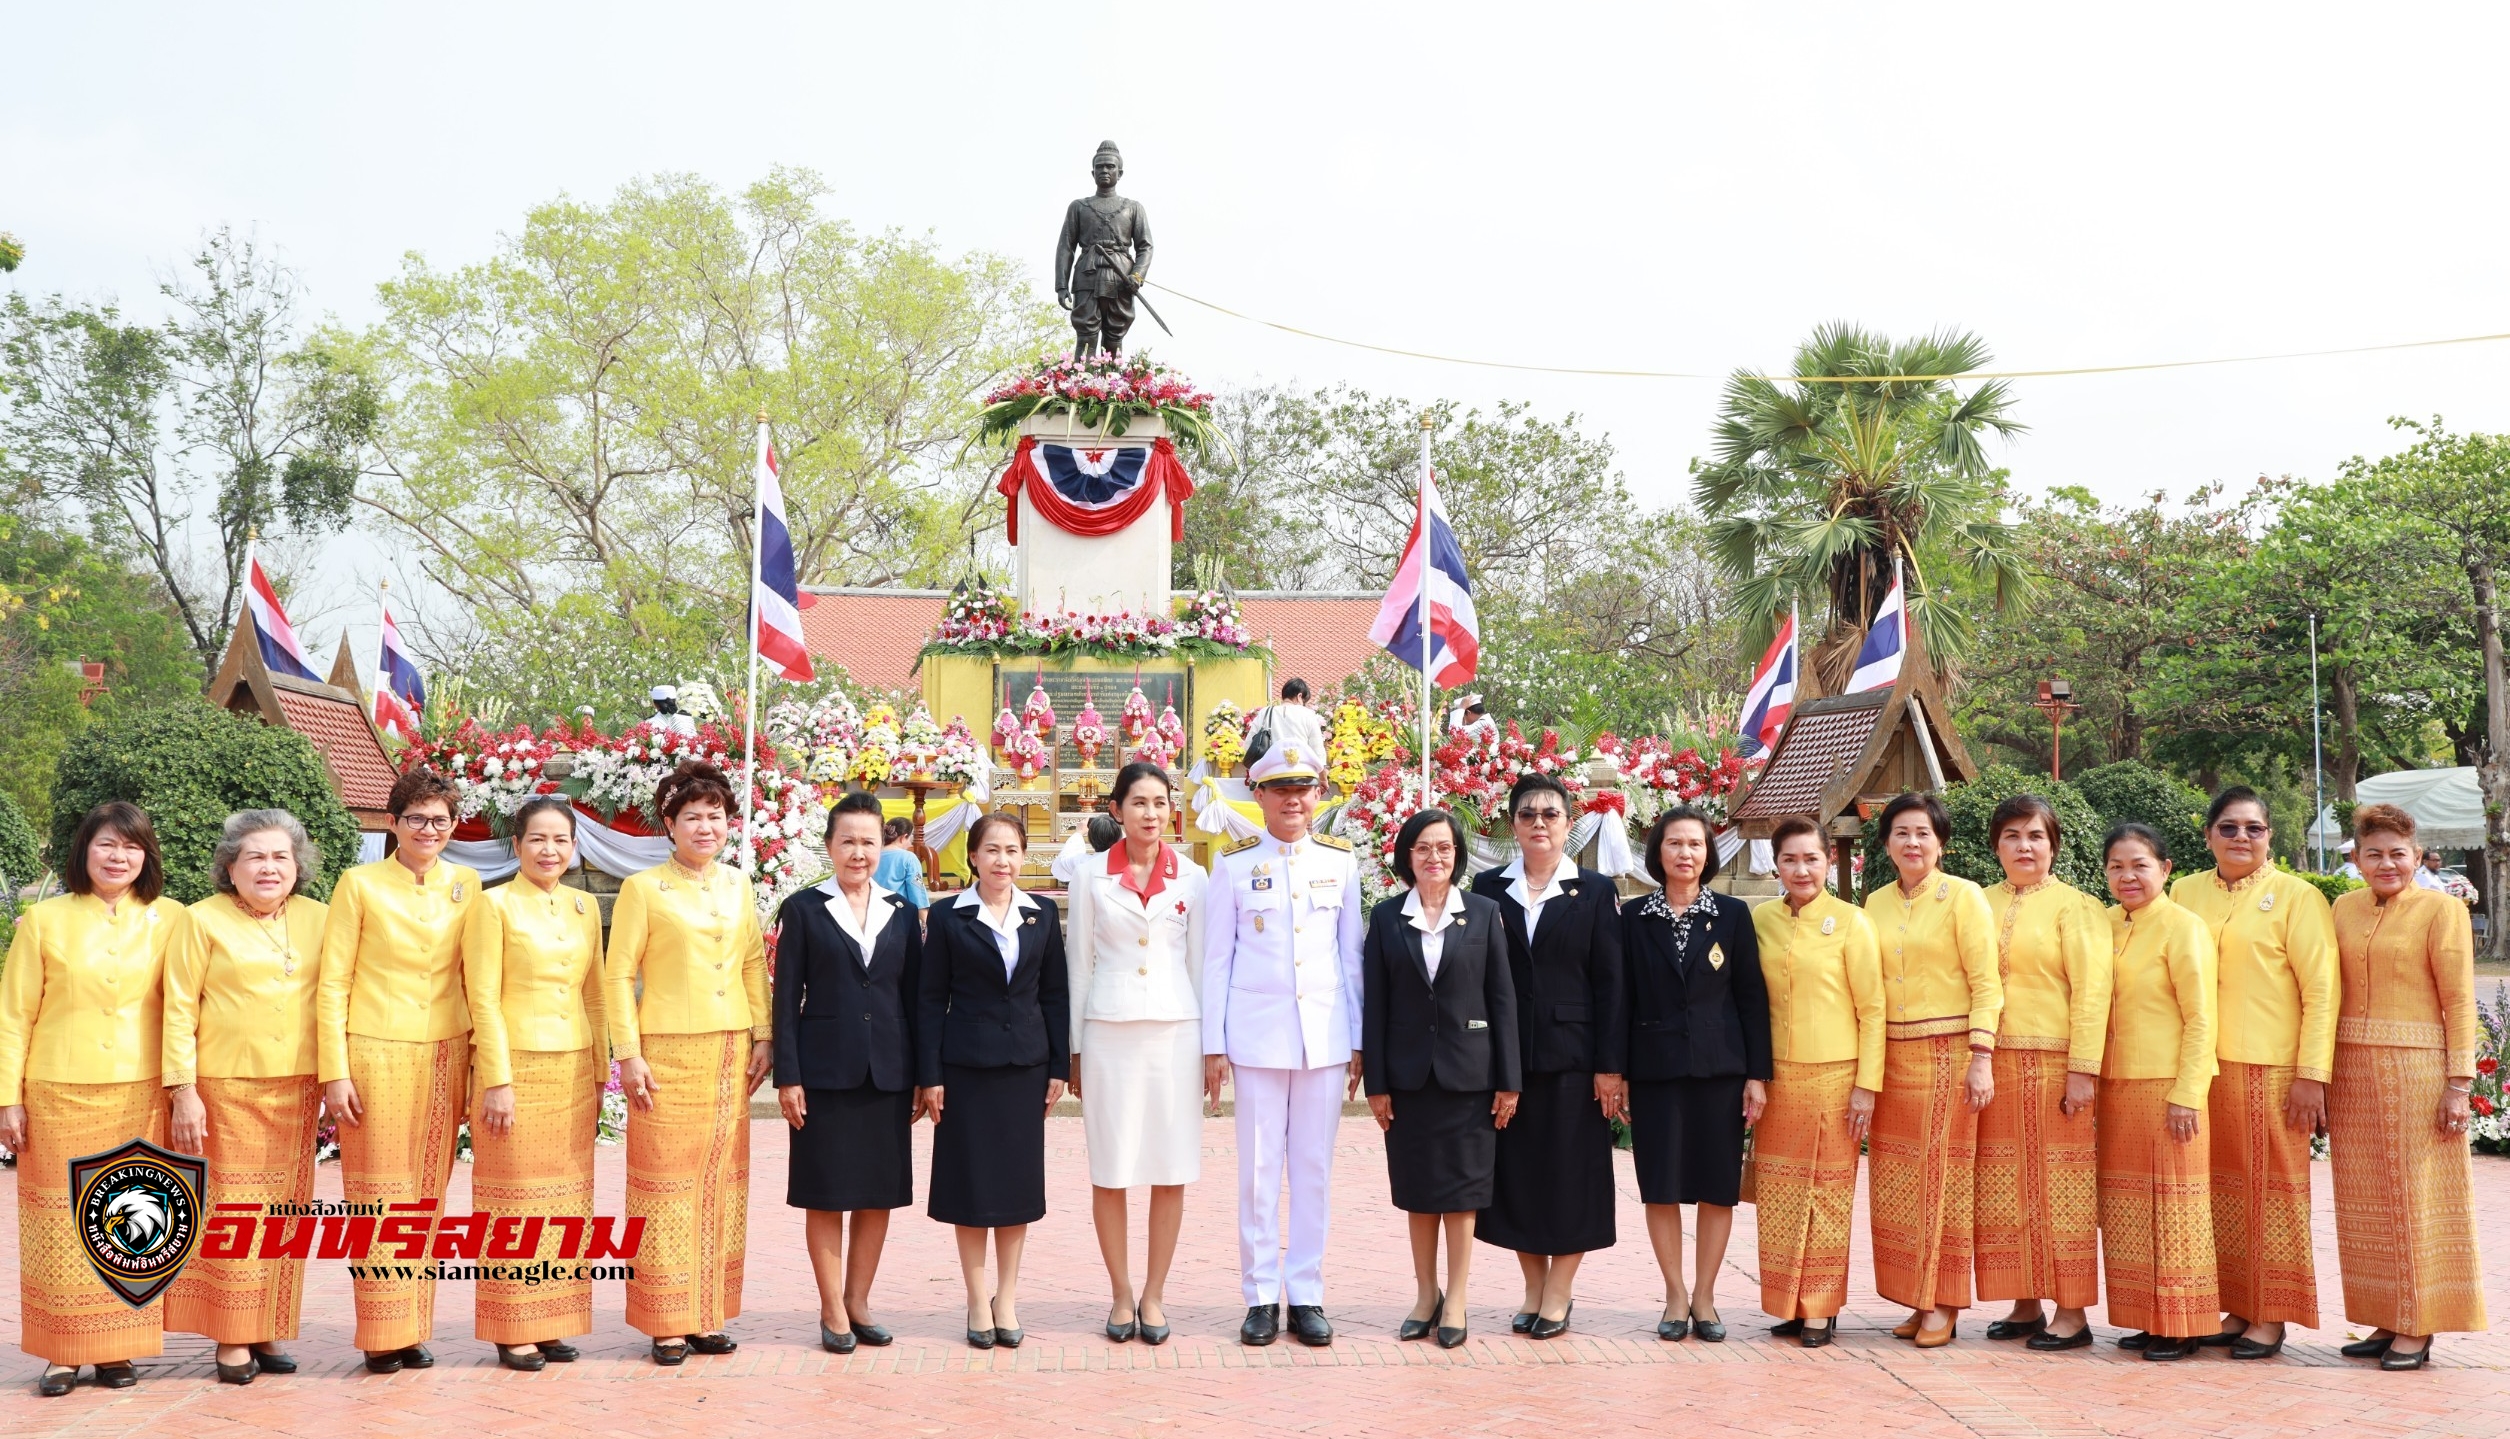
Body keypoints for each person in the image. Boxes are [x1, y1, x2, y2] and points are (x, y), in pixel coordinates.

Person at [0, 803, 184, 1396]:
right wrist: (8, 1098)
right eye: (107, 844)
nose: (118, 857)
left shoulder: (172, 920)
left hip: (139, 1090)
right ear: (85, 849)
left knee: (131, 1221)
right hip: (56, 1091)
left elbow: (186, 1011)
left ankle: (116, 1349)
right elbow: (13, 1017)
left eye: (131, 847)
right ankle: (61, 1352)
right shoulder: (44, 920)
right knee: (57, 1221)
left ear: (146, 856)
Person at [605, 760, 773, 1365]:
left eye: (716, 817)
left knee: (722, 1183)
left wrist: (763, 1033)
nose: (706, 828)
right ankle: (665, 1319)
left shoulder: (737, 884)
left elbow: (753, 962)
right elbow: (618, 974)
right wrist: (628, 1053)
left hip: (730, 1050)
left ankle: (707, 1313)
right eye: (692, 818)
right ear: (669, 825)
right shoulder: (643, 889)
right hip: (666, 1052)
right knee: (664, 1184)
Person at [318, 768, 482, 1373]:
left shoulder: (467, 884)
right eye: (415, 818)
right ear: (393, 823)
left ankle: (412, 1325)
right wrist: (335, 1072)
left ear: (452, 825)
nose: (428, 829)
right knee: (377, 1191)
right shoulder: (359, 885)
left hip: (444, 1050)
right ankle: (379, 1330)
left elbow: (476, 979)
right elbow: (333, 981)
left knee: (427, 1194)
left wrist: (477, 1065)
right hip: (375, 1050)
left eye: (439, 820)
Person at [1202, 741, 1365, 1347]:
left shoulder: (1340, 862)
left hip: (1322, 1037)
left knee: (1315, 1168)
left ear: (1318, 793)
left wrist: (1358, 1040)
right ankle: (1261, 1296)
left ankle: (1308, 1293)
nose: (1293, 799)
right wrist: (1212, 1044)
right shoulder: (1234, 864)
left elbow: (1351, 958)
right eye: (1280, 789)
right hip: (1257, 1037)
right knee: (1258, 1171)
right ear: (1259, 795)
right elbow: (1217, 959)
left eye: (1304, 789)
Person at [163, 810, 327, 1385]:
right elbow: (178, 1009)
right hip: (225, 1088)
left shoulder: (320, 919)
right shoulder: (199, 920)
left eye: (281, 856)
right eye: (255, 856)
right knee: (233, 1212)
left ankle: (266, 1325)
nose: (269, 867)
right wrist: (184, 1090)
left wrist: (335, 1074)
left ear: (298, 867)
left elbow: (335, 1000)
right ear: (229, 866)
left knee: (284, 1212)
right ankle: (232, 1335)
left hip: (298, 1086)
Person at [2171, 786, 2335, 1359]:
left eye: (2254, 828)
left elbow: (2321, 993)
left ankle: (2271, 1313)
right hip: (2201, 1068)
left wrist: (2312, 1073)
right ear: (2209, 834)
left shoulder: (2297, 897)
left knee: (2275, 1192)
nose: (2241, 837)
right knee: (2219, 1193)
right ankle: (2236, 1306)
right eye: (2229, 827)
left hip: (2273, 1068)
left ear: (2270, 836)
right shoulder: (2184, 891)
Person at [2327, 804, 2488, 1370]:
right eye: (2375, 853)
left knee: (2414, 1197)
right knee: (2364, 1198)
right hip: (2351, 1069)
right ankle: (2384, 1315)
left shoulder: (2441, 910)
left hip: (2418, 1070)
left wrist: (2458, 1083)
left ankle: (2417, 1326)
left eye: (2399, 853)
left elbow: (2460, 1000)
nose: (2387, 863)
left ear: (2417, 857)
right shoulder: (2342, 908)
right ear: (2357, 857)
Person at [1471, 772, 1623, 1340]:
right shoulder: (1487, 889)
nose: (1539, 822)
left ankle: (1559, 1293)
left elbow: (1612, 984)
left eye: (1550, 814)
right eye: (1528, 813)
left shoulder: (1596, 891)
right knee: (1518, 1177)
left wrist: (1610, 1067)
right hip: (1505, 1058)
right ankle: (1533, 1289)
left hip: (1574, 1059)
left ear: (1568, 824)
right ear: (1513, 823)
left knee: (1572, 1177)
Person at [1363, 808, 1520, 1349]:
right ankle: (1425, 1294)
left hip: (1470, 1076)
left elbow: (1503, 999)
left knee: (1462, 1192)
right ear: (1408, 856)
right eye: (1424, 848)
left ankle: (1456, 1297)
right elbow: (1375, 1006)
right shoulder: (1386, 918)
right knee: (1419, 1192)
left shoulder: (1482, 913)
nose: (1435, 858)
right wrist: (1376, 1084)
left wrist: (1509, 1079)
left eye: (1445, 848)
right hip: (1408, 1080)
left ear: (1458, 856)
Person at [462, 796, 606, 1371]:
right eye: (538, 839)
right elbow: (483, 998)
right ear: (516, 845)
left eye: (561, 840)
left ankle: (552, 1321)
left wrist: (601, 1075)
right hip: (515, 1066)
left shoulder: (583, 907)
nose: (550, 850)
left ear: (574, 849)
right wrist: (496, 1078)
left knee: (566, 1199)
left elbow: (594, 992)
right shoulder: (492, 906)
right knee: (513, 1199)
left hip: (573, 1066)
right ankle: (512, 1324)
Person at [776, 791, 922, 1355]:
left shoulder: (903, 913)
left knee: (877, 1194)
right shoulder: (805, 908)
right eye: (848, 841)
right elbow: (786, 999)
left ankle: (859, 1300)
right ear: (830, 845)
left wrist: (921, 1075)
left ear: (883, 845)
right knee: (826, 1193)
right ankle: (831, 1305)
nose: (859, 853)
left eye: (869, 841)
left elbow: (916, 998)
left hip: (888, 1070)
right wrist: (789, 1076)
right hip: (824, 1073)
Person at [917, 811, 1070, 1350]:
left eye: (1012, 850)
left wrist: (1058, 1066)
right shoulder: (950, 918)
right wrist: (929, 1074)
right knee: (971, 1185)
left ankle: (1007, 1296)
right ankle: (975, 1296)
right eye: (992, 850)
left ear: (1023, 856)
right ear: (973, 857)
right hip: (966, 1069)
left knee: (1015, 1187)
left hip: (1025, 1069)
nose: (1002, 860)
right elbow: (931, 998)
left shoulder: (1042, 915)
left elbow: (1055, 993)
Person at [1066, 762, 1207, 1345]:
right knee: (1112, 1167)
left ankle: (1154, 1294)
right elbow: (1079, 963)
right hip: (1110, 1030)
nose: (1151, 814)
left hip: (1176, 1031)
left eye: (1159, 802)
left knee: (1170, 1167)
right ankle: (1121, 1293)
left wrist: (1210, 1049)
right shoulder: (1091, 875)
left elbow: (1200, 965)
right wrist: (1073, 1047)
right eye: (1139, 803)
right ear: (1117, 809)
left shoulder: (1194, 877)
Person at [1622, 804, 1769, 1343]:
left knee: (1716, 1187)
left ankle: (1705, 1296)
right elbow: (1621, 999)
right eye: (1675, 844)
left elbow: (1751, 999)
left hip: (1719, 1070)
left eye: (1696, 845)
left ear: (1709, 854)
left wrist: (1757, 1074)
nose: (1686, 854)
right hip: (1655, 1070)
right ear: (1657, 851)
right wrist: (1617, 1072)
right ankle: (1674, 1294)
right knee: (1659, 1187)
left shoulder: (1731, 915)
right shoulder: (1633, 918)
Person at [1861, 792, 2001, 1348]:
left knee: (1943, 1181)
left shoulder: (1963, 897)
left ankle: (1944, 1301)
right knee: (1899, 1184)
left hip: (1948, 1057)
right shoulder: (1874, 903)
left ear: (1940, 841)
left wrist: (1981, 1057)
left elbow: (1987, 983)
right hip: (1892, 1060)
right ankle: (1917, 1298)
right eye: (1901, 833)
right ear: (1888, 843)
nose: (1912, 842)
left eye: (1923, 832)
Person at [1975, 794, 2111, 1352]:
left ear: (2053, 845)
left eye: (2035, 836)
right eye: (2012, 836)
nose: (2024, 846)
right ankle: (2024, 1300)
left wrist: (2084, 1069)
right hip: (1996, 1064)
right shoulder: (1977, 903)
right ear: (1996, 846)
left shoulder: (2076, 906)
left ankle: (2072, 1309)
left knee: (2064, 1187)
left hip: (2057, 1064)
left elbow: (2092, 992)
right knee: (2005, 1185)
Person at [1751, 814, 1883, 1349]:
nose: (1801, 869)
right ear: (1776, 864)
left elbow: (1873, 1011)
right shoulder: (1760, 919)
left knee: (1827, 1193)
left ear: (1831, 860)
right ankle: (1786, 1302)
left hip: (1835, 1076)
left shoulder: (1853, 922)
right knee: (1780, 1192)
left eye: (1812, 858)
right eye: (1790, 859)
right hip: (1777, 1079)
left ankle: (1821, 1308)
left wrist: (1865, 1086)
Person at [2099, 822, 2221, 1361]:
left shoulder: (2182, 927)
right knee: (2128, 1205)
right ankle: (2149, 1317)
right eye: (2116, 867)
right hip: (2116, 1085)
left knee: (2175, 1205)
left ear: (2166, 870)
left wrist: (2188, 1092)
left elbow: (2201, 1018)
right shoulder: (2102, 925)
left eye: (2140, 865)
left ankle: (2184, 1323)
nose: (2128, 877)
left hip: (2168, 1086)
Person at [1244, 678, 1327, 769]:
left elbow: (1248, 745)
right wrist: (1323, 779)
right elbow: (1318, 751)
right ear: (1299, 696)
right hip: (1301, 773)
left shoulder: (1265, 713)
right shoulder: (1308, 714)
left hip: (1270, 773)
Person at [873, 817, 932, 910]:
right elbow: (916, 888)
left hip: (872, 909)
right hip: (899, 912)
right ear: (903, 837)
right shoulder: (909, 858)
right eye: (909, 839)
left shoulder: (872, 855)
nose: (910, 843)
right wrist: (923, 914)